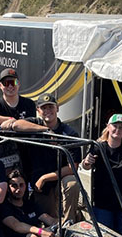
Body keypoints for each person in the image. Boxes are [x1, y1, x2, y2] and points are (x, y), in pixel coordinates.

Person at [8, 93, 81, 222]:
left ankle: (70, 222)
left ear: (57, 108)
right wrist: (45, 131)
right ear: (38, 110)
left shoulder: (69, 133)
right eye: (44, 108)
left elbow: (72, 167)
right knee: (49, 220)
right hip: (39, 185)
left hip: (58, 179)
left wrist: (45, 178)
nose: (48, 111)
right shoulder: (33, 124)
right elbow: (16, 125)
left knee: (72, 183)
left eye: (51, 107)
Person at [81, 114, 122, 235]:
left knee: (121, 236)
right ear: (108, 127)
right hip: (103, 202)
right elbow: (85, 166)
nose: (118, 130)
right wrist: (86, 162)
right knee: (105, 236)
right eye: (115, 126)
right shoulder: (98, 146)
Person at [1, 170, 58, 237]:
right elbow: (16, 225)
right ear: (8, 188)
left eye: (21, 185)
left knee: (56, 232)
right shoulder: (4, 207)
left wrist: (62, 224)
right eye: (14, 186)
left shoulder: (30, 204)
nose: (18, 189)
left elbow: (49, 220)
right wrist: (40, 232)